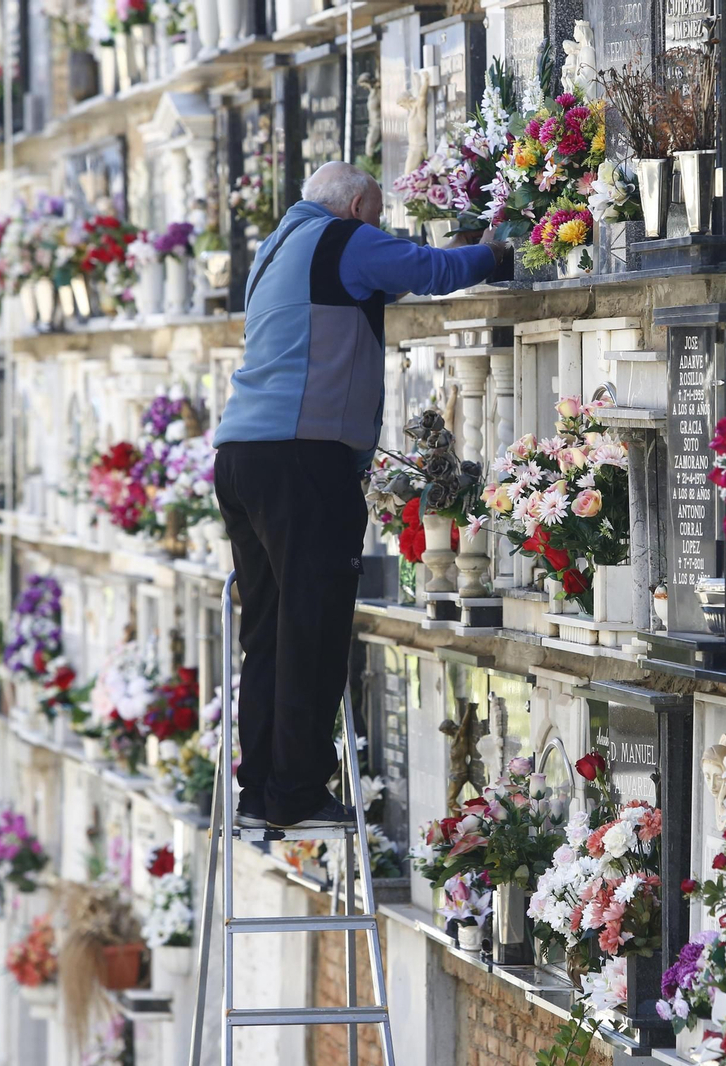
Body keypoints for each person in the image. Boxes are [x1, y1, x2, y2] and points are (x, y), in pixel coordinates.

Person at [212, 161, 509, 830]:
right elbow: (432, 273)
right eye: (375, 217)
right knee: (312, 630)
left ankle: (259, 792)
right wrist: (500, 249)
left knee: (267, 633)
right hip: (302, 458)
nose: (377, 230)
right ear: (354, 209)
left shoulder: (277, 246)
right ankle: (298, 794)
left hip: (241, 457)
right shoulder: (342, 240)